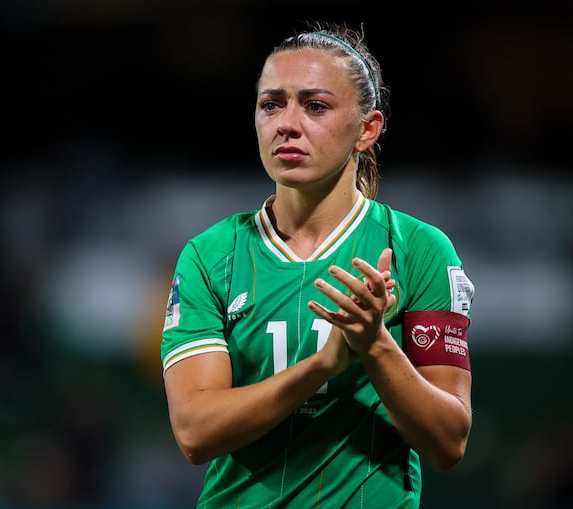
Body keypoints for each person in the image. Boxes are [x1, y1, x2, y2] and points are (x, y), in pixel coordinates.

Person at [160, 21, 475, 508]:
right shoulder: (210, 255)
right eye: (271, 104)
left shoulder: (420, 250)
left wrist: (374, 344)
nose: (287, 123)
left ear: (367, 129)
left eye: (315, 106)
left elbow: (448, 443)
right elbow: (195, 433)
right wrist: (323, 366)